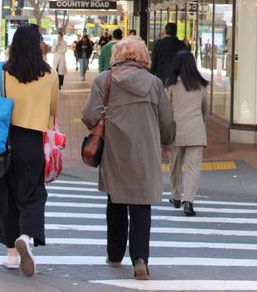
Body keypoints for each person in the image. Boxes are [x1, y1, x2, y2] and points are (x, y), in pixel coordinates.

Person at [81, 36, 175, 280]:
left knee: (116, 200)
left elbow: (89, 116)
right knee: (141, 205)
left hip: (114, 151)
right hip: (146, 152)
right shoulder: (154, 83)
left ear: (117, 56)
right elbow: (167, 120)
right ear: (143, 57)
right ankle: (140, 260)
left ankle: (114, 253)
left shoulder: (105, 80)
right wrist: (166, 141)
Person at [0, 24, 58, 276]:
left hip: (2, 141)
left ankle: (11, 254)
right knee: (33, 194)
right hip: (31, 142)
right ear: (38, 44)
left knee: (5, 196)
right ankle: (26, 237)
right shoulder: (49, 74)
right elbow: (52, 110)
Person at [165, 50, 209, 216]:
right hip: (196, 131)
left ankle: (176, 195)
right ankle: (188, 201)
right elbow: (205, 110)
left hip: (176, 131)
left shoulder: (171, 85)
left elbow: (165, 109)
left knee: (174, 165)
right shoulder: (201, 85)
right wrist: (200, 123)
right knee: (193, 168)